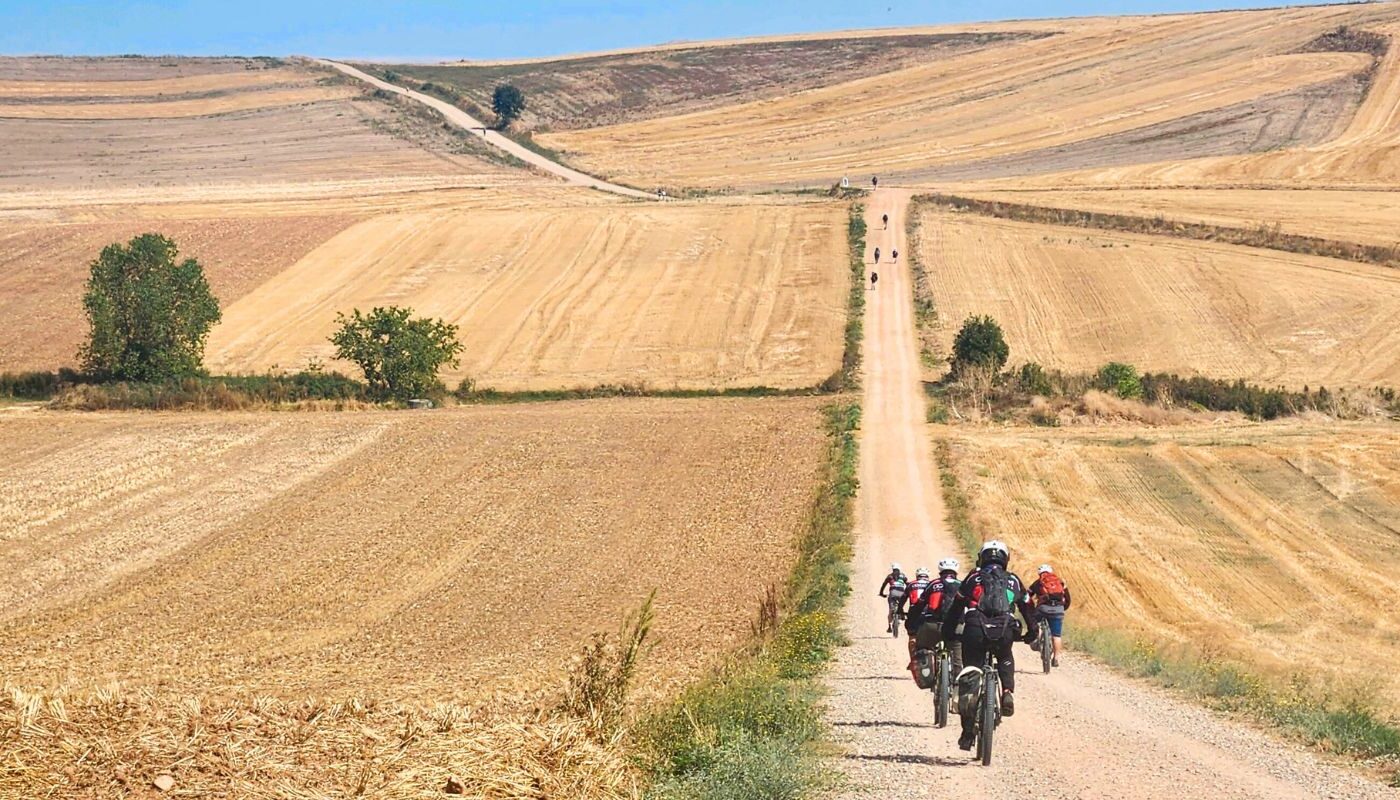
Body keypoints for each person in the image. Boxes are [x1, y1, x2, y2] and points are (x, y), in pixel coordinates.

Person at [941, 541, 1034, 751]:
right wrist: (1032, 633)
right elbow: (1028, 607)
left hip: (975, 629)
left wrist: (948, 632)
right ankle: (1007, 691)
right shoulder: (1013, 580)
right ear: (1005, 559)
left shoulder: (973, 577)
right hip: (1004, 629)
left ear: (981, 558)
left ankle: (967, 732)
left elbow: (956, 607)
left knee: (970, 676)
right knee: (1004, 656)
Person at [906, 559, 963, 672]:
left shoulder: (933, 584)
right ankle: (957, 681)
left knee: (921, 647)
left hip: (933, 625)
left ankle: (927, 673)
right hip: (955, 627)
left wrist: (911, 623)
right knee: (959, 658)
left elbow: (919, 605)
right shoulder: (961, 585)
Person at [1029, 564, 1071, 667]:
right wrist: (1062, 608)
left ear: (1040, 573)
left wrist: (1030, 608)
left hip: (1043, 608)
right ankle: (1056, 658)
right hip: (1058, 609)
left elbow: (1028, 595)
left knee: (1035, 621)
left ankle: (1037, 639)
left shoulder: (1038, 583)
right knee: (1056, 635)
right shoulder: (1060, 582)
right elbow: (1068, 599)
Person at [878, 563, 908, 633]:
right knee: (901, 605)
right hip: (901, 593)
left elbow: (883, 585)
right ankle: (902, 615)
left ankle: (889, 627)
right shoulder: (903, 576)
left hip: (892, 593)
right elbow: (908, 584)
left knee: (890, 610)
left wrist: (881, 593)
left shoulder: (890, 576)